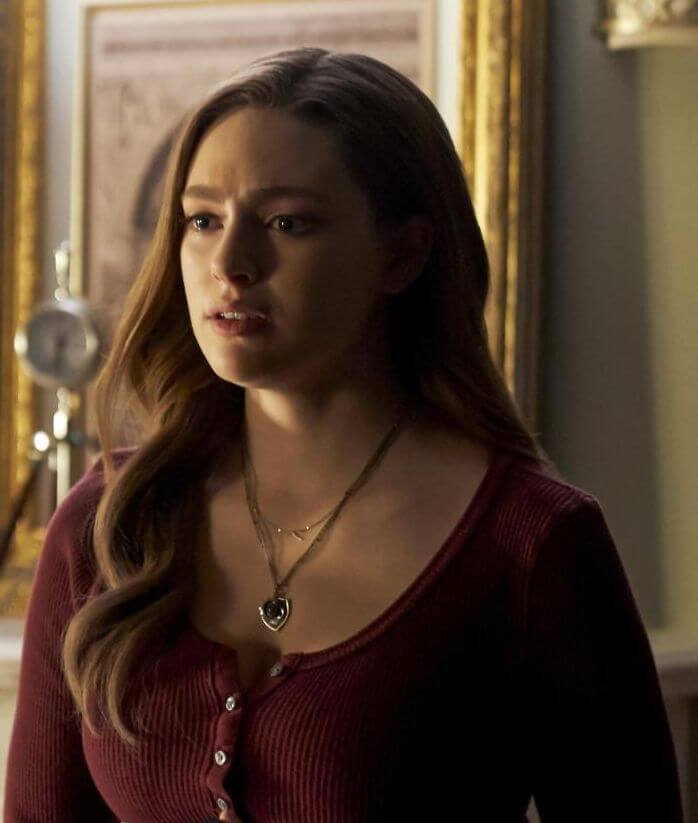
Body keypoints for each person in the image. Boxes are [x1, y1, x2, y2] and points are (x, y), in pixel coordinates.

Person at [4, 47, 682, 823]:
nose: (230, 263)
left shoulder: (530, 542)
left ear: (402, 254)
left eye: (286, 222)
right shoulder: (109, 522)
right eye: (203, 219)